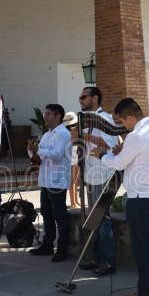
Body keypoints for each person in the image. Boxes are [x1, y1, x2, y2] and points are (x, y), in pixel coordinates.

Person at [94, 98, 149, 296]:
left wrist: (102, 155)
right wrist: (123, 151)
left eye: (122, 122)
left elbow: (118, 163)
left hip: (141, 198)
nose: (122, 127)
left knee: (143, 246)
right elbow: (138, 158)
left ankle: (145, 291)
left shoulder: (137, 135)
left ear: (130, 117)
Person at [77, 86, 119, 276]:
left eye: (84, 97)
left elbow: (111, 144)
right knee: (93, 218)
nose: (81, 101)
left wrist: (83, 136)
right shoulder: (87, 121)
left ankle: (108, 261)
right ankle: (95, 257)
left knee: (103, 218)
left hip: (104, 174)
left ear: (94, 98)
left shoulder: (105, 119)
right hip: (91, 173)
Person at [27, 104, 71, 262]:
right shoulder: (46, 135)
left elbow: (58, 155)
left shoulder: (63, 134)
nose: (44, 117)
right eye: (44, 113)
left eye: (48, 114)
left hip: (57, 181)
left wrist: (38, 150)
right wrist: (32, 150)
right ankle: (47, 244)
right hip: (46, 179)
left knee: (59, 215)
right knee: (46, 213)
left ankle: (62, 248)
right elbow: (40, 156)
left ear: (58, 115)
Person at [63, 111, 80, 209]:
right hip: (71, 156)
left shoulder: (72, 131)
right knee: (73, 180)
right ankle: (73, 203)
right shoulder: (68, 132)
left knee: (75, 180)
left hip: (76, 155)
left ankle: (76, 201)